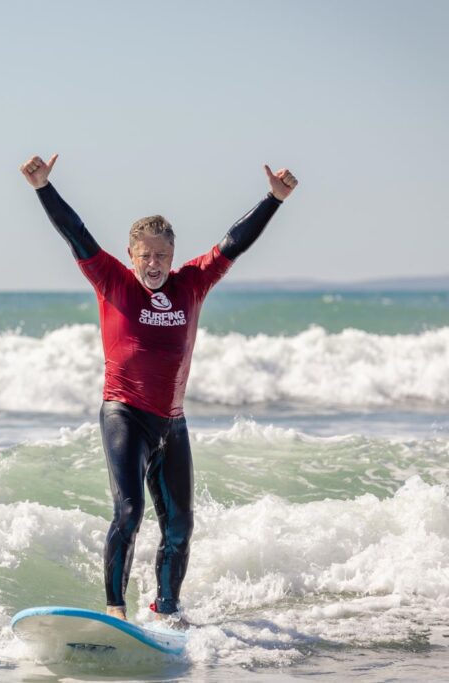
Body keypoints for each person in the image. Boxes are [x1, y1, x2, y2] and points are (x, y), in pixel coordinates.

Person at [20, 153, 298, 623]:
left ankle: (167, 611)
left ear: (173, 255)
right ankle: (115, 609)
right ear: (131, 256)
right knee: (128, 511)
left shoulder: (191, 282)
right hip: (124, 414)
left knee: (180, 528)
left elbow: (233, 244)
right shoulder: (111, 279)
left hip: (172, 423)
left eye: (162, 255)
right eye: (145, 255)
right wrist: (43, 187)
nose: (154, 263)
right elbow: (76, 233)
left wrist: (273, 199)